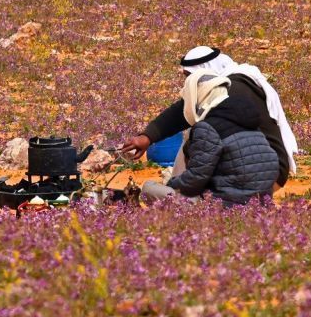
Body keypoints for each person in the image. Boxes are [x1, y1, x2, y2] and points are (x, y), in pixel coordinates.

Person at [121, 46, 298, 191]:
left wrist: (174, 186)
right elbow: (182, 110)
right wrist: (148, 136)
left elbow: (199, 172)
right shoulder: (232, 88)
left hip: (248, 181)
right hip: (270, 174)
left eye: (190, 77)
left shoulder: (225, 95)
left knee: (195, 136)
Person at [141, 71, 278, 205]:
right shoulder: (248, 121)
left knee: (149, 189)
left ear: (198, 95)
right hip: (261, 204)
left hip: (224, 206)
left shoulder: (207, 128)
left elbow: (194, 180)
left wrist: (171, 183)